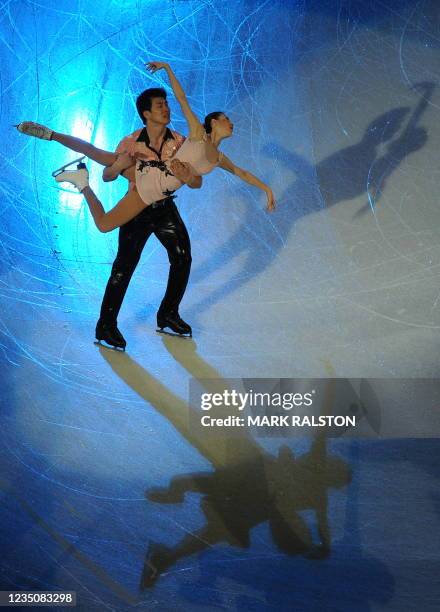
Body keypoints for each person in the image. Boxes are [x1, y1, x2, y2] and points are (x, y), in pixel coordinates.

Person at [16, 87, 203, 344]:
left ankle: (168, 313)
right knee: (123, 268)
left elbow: (196, 181)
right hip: (137, 208)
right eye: (161, 105)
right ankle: (105, 326)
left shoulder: (179, 141)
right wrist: (54, 136)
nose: (167, 109)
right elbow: (103, 167)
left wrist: (189, 177)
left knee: (183, 258)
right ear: (146, 113)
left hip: (165, 208)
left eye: (167, 104)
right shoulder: (131, 143)